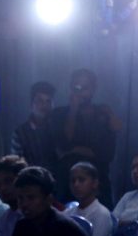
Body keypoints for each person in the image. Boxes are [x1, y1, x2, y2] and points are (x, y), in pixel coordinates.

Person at [50, 69, 121, 208]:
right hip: (67, 183)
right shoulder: (59, 114)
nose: (81, 91)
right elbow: (63, 145)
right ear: (71, 87)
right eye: (77, 87)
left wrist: (75, 150)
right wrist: (73, 110)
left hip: (99, 183)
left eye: (85, 87)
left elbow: (107, 153)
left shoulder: (103, 113)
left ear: (93, 89)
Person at [64, 161, 114, 236]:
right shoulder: (67, 213)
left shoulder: (102, 214)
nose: (76, 184)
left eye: (81, 180)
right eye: (73, 180)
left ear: (94, 183)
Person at [10, 81, 58, 175]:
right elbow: (17, 164)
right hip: (30, 184)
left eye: (48, 101)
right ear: (31, 104)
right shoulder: (20, 133)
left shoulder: (58, 130)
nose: (44, 105)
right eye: (40, 101)